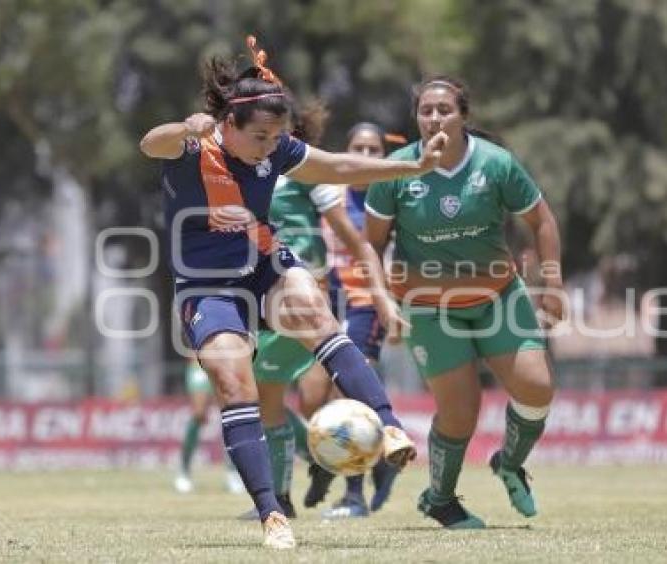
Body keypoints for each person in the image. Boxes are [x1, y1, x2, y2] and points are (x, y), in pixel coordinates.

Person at [139, 36, 447, 549]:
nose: (270, 148)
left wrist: (412, 167)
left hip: (261, 261)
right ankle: (271, 514)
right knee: (235, 384)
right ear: (228, 125)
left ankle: (389, 426)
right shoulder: (194, 146)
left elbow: (339, 167)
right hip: (206, 284)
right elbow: (151, 142)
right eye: (260, 137)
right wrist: (182, 127)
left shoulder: (275, 146)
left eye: (276, 137)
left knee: (311, 306)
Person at [365, 76, 564, 529]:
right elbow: (370, 247)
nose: (434, 117)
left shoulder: (496, 164)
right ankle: (440, 499)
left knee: (537, 386)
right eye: (426, 110)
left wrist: (552, 283)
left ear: (463, 116)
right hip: (429, 306)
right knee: (460, 412)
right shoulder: (395, 171)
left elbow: (542, 219)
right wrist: (381, 301)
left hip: (497, 296)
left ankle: (510, 464)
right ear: (416, 117)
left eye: (444, 109)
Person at [239, 103, 403, 521]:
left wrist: (382, 296)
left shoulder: (306, 174)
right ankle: (291, 490)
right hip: (263, 300)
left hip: (304, 299)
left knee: (280, 395)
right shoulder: (246, 172)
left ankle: (346, 474)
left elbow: (358, 241)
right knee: (287, 401)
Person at [316, 122, 407, 519]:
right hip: (327, 304)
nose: (367, 157)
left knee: (349, 395)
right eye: (359, 148)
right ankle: (375, 466)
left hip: (368, 303)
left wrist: (394, 303)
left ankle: (354, 496)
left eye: (374, 150)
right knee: (311, 397)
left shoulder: (392, 197)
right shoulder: (328, 193)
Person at [174, 358, 246, 495]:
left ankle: (233, 473)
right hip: (200, 364)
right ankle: (184, 470)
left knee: (230, 413)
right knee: (198, 414)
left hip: (227, 364)